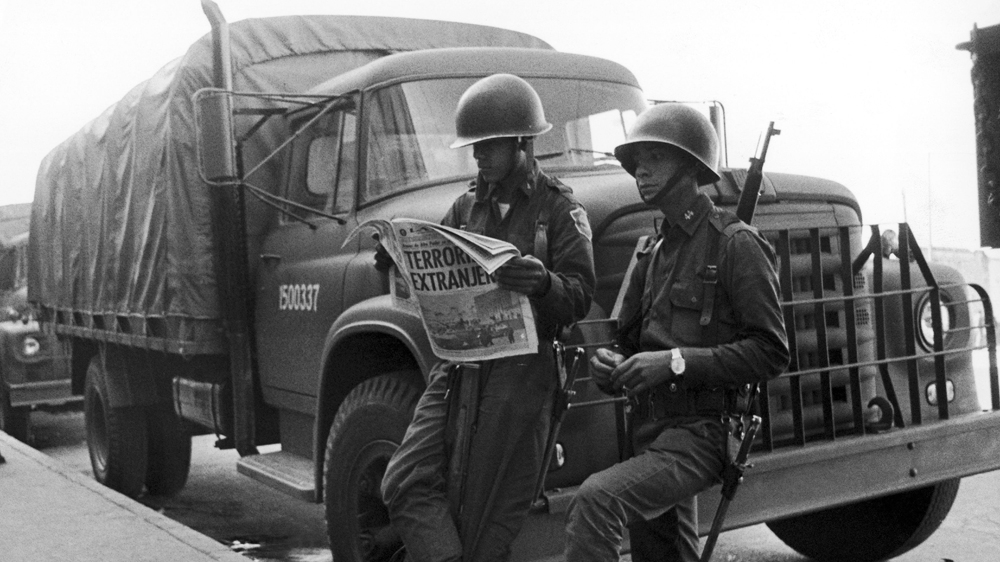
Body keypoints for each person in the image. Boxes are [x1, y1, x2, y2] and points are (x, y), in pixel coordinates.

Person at [380, 73, 596, 562]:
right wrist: (401, 265)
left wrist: (543, 283)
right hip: (458, 368)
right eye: (472, 147)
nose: (476, 156)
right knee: (403, 480)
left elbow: (581, 296)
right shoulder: (464, 206)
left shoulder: (559, 210)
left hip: (522, 376)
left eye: (488, 145)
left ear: (522, 142)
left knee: (484, 514)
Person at [564, 104, 789, 562]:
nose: (640, 172)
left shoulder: (735, 244)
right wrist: (609, 366)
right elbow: (626, 346)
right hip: (651, 431)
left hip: (705, 432)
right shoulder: (653, 250)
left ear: (690, 167)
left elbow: (771, 352)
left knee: (597, 500)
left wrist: (674, 362)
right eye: (636, 162)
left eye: (655, 159)